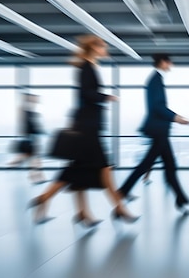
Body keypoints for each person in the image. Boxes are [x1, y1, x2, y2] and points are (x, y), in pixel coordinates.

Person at [29, 34, 137, 226]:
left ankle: (70, 208)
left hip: (86, 127)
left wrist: (101, 97)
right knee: (104, 169)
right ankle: (119, 208)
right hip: (88, 129)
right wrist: (106, 97)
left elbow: (86, 94)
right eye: (103, 47)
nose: (105, 50)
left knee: (76, 173)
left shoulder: (87, 67)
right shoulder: (87, 68)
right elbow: (87, 94)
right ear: (93, 48)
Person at [117, 53, 189, 214]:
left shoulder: (155, 79)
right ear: (163, 62)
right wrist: (175, 117)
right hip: (158, 130)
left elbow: (157, 106)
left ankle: (180, 199)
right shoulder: (155, 80)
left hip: (160, 130)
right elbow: (157, 107)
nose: (170, 64)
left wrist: (174, 117)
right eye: (169, 62)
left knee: (169, 166)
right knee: (149, 164)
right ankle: (122, 191)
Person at [8, 93, 47, 184]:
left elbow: (34, 126)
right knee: (35, 158)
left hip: (32, 138)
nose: (36, 101)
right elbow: (31, 126)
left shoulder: (30, 112)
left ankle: (35, 176)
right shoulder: (25, 112)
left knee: (33, 158)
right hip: (30, 138)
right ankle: (37, 176)